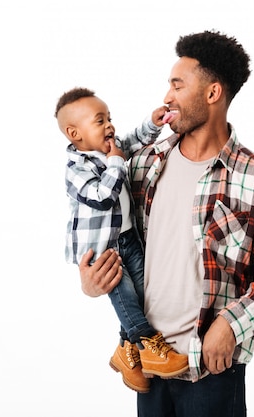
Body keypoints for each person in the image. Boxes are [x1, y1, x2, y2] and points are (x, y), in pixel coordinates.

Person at [78, 31, 254, 417]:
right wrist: (91, 280)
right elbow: (107, 231)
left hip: (210, 370)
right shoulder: (143, 165)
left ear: (212, 94)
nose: (167, 97)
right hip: (150, 364)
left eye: (178, 86)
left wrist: (231, 325)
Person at [55, 87, 190, 394]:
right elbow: (101, 198)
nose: (109, 126)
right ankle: (148, 346)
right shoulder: (76, 168)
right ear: (74, 134)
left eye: (110, 119)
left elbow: (129, 142)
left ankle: (124, 351)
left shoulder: (110, 150)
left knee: (143, 296)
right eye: (100, 121)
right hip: (102, 251)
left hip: (127, 239)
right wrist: (116, 163)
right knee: (126, 297)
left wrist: (152, 125)